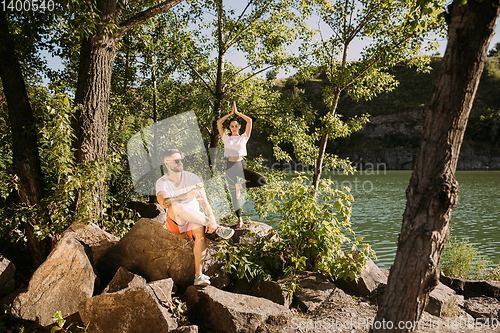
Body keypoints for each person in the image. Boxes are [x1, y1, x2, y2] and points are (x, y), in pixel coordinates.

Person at [156, 149, 234, 286]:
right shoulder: (161, 182)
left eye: (182, 160)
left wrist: (213, 219)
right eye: (176, 161)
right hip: (175, 222)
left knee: (199, 231)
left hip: (193, 220)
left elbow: (204, 202)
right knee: (177, 206)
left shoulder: (193, 178)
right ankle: (218, 229)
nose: (180, 163)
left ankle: (199, 276)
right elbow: (164, 203)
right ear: (166, 163)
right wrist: (185, 195)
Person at [217, 102, 266, 228]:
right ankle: (239, 219)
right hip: (230, 167)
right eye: (232, 126)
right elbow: (218, 123)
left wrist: (237, 113)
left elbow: (249, 120)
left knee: (262, 181)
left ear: (239, 127)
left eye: (236, 126)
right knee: (234, 196)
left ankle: (241, 186)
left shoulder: (244, 137)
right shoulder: (226, 138)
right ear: (229, 127)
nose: (234, 128)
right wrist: (229, 114)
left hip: (240, 165)